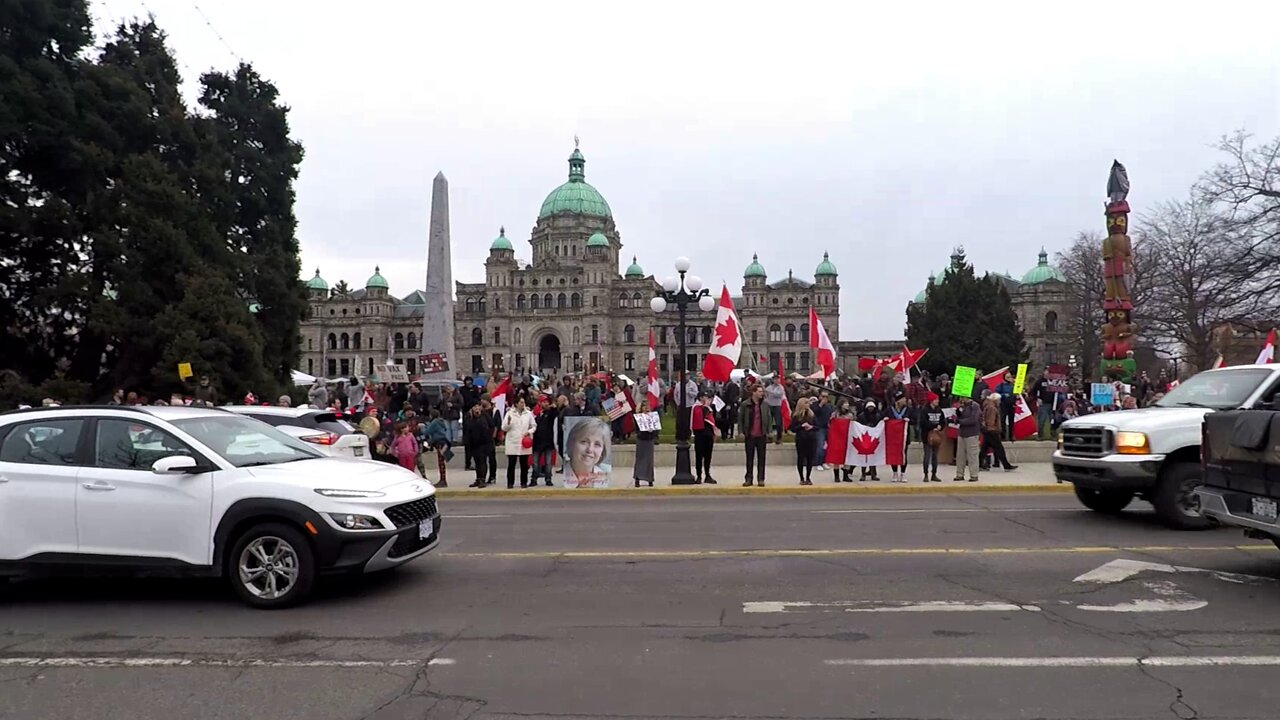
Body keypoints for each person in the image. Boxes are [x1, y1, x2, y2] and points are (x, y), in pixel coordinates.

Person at [563, 417, 611, 488]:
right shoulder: (561, 477)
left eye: (597, 444)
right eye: (584, 442)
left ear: (603, 451)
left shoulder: (607, 476)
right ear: (571, 444)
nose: (590, 449)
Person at [502, 397, 536, 489]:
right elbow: (504, 428)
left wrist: (529, 432)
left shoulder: (528, 414)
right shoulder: (510, 413)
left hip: (524, 442)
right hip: (512, 442)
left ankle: (523, 482)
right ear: (516, 404)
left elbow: (534, 426)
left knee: (524, 464)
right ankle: (510, 483)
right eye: (521, 402)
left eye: (523, 402)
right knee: (511, 464)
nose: (523, 404)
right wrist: (508, 422)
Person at [738, 385, 768, 487]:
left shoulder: (764, 404)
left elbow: (768, 417)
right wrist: (741, 431)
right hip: (750, 435)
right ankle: (749, 478)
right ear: (754, 392)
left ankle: (761, 478)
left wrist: (769, 431)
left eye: (762, 392)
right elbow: (740, 419)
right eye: (759, 391)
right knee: (749, 458)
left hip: (761, 434)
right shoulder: (745, 404)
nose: (761, 393)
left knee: (762, 458)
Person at [982, 394, 1018, 472]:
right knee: (999, 449)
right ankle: (1006, 465)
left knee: (984, 449)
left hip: (988, 431)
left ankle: (979, 464)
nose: (999, 401)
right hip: (992, 431)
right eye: (998, 400)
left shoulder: (988, 406)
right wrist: (994, 429)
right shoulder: (992, 408)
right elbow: (991, 421)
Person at [917, 393, 946, 483]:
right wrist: (933, 426)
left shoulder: (939, 410)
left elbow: (943, 421)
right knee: (927, 455)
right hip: (927, 436)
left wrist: (940, 426)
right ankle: (926, 474)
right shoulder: (925, 410)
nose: (937, 401)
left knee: (935, 456)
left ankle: (934, 474)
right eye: (936, 399)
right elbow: (923, 422)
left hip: (936, 435)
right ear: (931, 401)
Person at [462, 404, 494, 488]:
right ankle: (478, 478)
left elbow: (491, 426)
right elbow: (466, 429)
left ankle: (483, 479)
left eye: (478, 406)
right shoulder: (469, 417)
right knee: (477, 462)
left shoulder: (484, 416)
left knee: (482, 462)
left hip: (483, 443)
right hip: (473, 444)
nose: (476, 408)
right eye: (474, 406)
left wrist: (488, 437)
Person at [691, 392, 718, 484]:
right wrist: (705, 407)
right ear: (700, 398)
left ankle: (707, 475)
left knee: (708, 456)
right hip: (700, 434)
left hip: (708, 434)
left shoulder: (709, 408)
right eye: (705, 397)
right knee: (699, 456)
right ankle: (699, 475)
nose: (707, 399)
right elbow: (700, 418)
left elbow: (712, 420)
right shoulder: (696, 407)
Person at [531, 395, 558, 487]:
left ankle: (548, 479)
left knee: (548, 462)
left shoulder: (550, 413)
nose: (546, 403)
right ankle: (534, 479)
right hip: (537, 441)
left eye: (547, 402)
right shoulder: (535, 413)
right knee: (535, 462)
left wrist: (554, 408)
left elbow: (555, 414)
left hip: (548, 442)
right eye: (544, 402)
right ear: (540, 403)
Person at [954, 396, 982, 482]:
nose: (962, 399)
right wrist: (957, 414)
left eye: (963, 397)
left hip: (972, 433)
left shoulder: (974, 406)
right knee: (960, 455)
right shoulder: (962, 406)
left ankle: (974, 474)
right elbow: (959, 417)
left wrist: (961, 421)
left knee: (972, 455)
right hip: (962, 433)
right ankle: (959, 474)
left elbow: (973, 420)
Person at [790, 397, 817, 485]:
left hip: (811, 439)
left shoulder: (812, 415)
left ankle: (808, 477)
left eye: (808, 403)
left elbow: (818, 426)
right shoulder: (796, 416)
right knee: (801, 459)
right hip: (801, 439)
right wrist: (801, 426)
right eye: (806, 403)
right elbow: (793, 428)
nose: (808, 405)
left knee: (810, 459)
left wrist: (811, 427)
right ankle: (801, 478)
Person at [422, 408, 451, 487]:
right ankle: (443, 479)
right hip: (444, 442)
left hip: (439, 443)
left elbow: (427, 432)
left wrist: (423, 427)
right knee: (442, 462)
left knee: (441, 463)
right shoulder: (441, 422)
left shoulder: (434, 422)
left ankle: (443, 481)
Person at [887, 394, 912, 483]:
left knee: (903, 454)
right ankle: (894, 473)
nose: (905, 401)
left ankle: (903, 473)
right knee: (894, 454)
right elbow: (883, 416)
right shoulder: (890, 409)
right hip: (893, 436)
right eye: (903, 399)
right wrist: (886, 419)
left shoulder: (908, 409)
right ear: (898, 401)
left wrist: (908, 420)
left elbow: (914, 419)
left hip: (904, 437)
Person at [633, 398, 657, 488]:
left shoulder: (652, 416)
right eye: (644, 406)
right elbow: (636, 429)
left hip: (649, 440)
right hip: (641, 439)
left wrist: (652, 431)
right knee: (640, 459)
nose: (646, 408)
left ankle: (650, 479)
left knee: (649, 460)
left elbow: (656, 428)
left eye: (647, 406)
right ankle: (637, 478)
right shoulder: (638, 417)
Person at [857, 400, 881, 481]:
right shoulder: (861, 416)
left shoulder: (877, 416)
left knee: (873, 457)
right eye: (869, 407)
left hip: (873, 438)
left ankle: (873, 474)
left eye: (872, 407)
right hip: (864, 438)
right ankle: (863, 474)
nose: (870, 409)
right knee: (864, 457)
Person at [763, 379, 786, 444]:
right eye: (775, 379)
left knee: (778, 422)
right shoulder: (770, 387)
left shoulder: (781, 387)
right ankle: (769, 437)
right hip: (770, 405)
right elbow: (765, 393)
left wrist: (771, 393)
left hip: (777, 406)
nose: (776, 381)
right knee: (769, 422)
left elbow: (779, 395)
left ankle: (779, 438)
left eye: (777, 379)